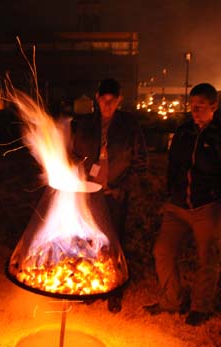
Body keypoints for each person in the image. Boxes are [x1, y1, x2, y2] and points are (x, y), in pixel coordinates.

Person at [146, 83, 221, 326]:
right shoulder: (184, 132)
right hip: (178, 205)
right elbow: (173, 163)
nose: (195, 111)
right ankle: (172, 300)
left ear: (214, 106)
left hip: (208, 206)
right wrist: (171, 191)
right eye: (192, 106)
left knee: (207, 258)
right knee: (163, 250)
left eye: (200, 106)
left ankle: (201, 306)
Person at [71, 78, 148, 313]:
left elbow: (140, 162)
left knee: (114, 243)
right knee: (87, 241)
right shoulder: (85, 125)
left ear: (119, 100)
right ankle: (92, 286)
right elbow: (74, 156)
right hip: (89, 195)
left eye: (112, 101)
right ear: (97, 98)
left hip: (114, 195)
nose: (108, 105)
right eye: (104, 100)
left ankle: (114, 290)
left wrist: (121, 188)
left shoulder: (129, 126)